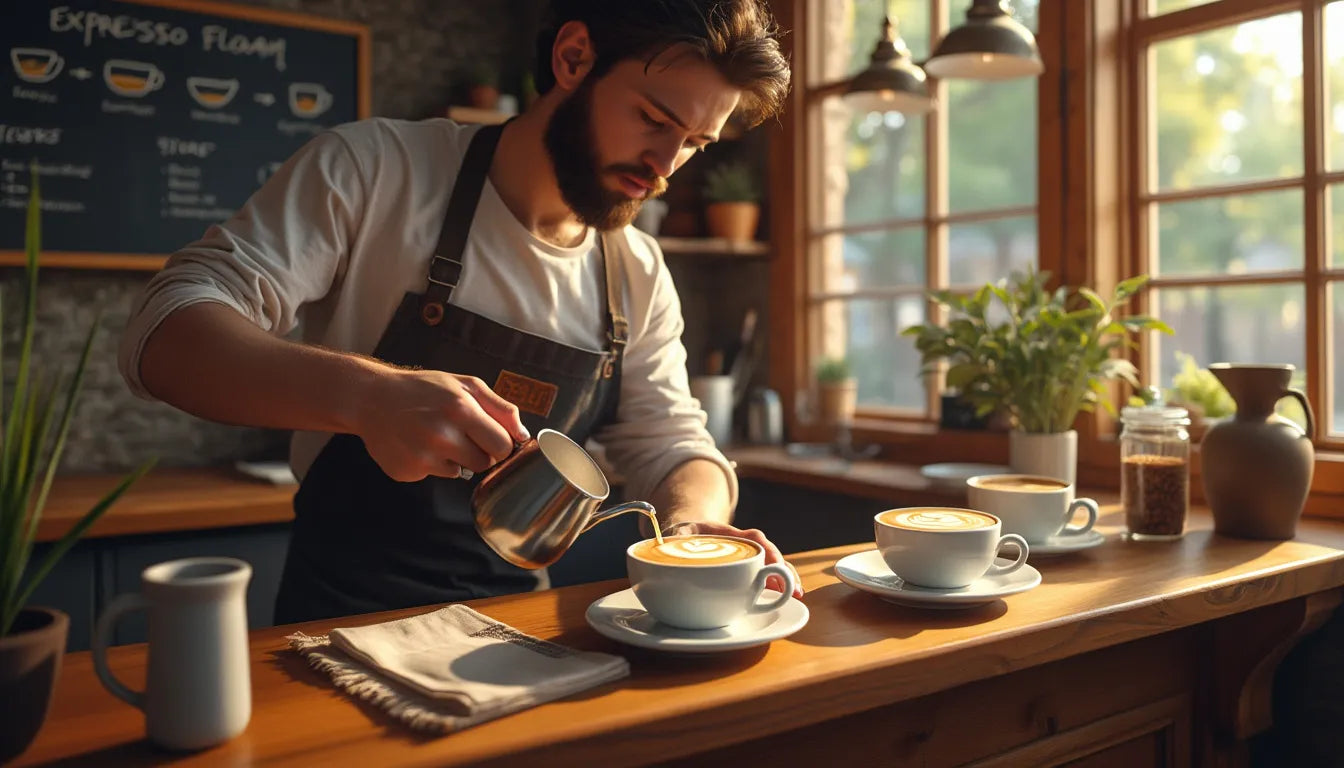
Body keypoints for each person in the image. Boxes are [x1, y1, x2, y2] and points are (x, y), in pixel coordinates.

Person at [118, 0, 800, 624]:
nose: (664, 166)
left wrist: (694, 527)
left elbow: (675, 444)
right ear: (573, 59)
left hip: (518, 632)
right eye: (654, 120)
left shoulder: (637, 272)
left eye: (693, 144)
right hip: (336, 622)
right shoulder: (377, 170)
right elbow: (166, 331)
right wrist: (368, 396)